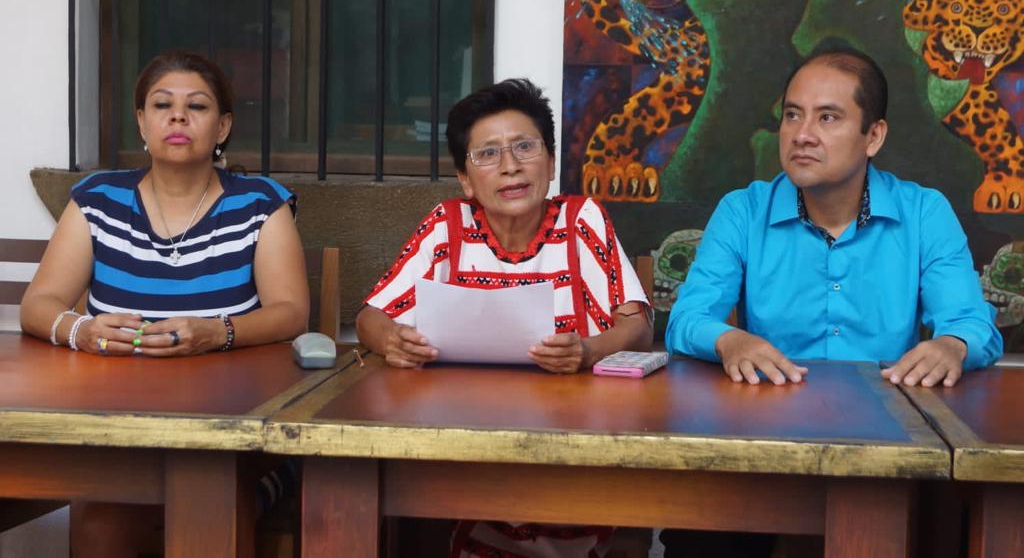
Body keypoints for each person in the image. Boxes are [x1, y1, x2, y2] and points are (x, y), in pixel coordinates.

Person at [662, 47, 1003, 557]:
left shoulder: (924, 213)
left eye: (828, 117)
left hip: (891, 447)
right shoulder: (743, 211)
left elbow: (972, 325)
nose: (802, 134)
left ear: (874, 136)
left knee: (951, 525)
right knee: (700, 530)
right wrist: (729, 340)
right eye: (792, 115)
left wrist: (952, 345)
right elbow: (686, 320)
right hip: (765, 442)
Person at [20, 50, 309, 557]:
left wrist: (215, 332)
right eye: (162, 105)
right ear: (141, 122)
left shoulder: (259, 204)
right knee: (100, 523)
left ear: (222, 127)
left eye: (196, 106)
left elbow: (290, 312)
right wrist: (80, 330)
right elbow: (39, 303)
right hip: (121, 429)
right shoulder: (98, 200)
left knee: (210, 510)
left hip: (233, 431)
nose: (178, 117)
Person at [356, 78, 652, 557]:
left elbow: (637, 327)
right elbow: (370, 317)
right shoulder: (448, 225)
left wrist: (587, 351)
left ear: (551, 163)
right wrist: (392, 339)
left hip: (572, 445)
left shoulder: (582, 220)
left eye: (524, 147)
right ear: (465, 179)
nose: (510, 166)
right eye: (488, 154)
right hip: (463, 443)